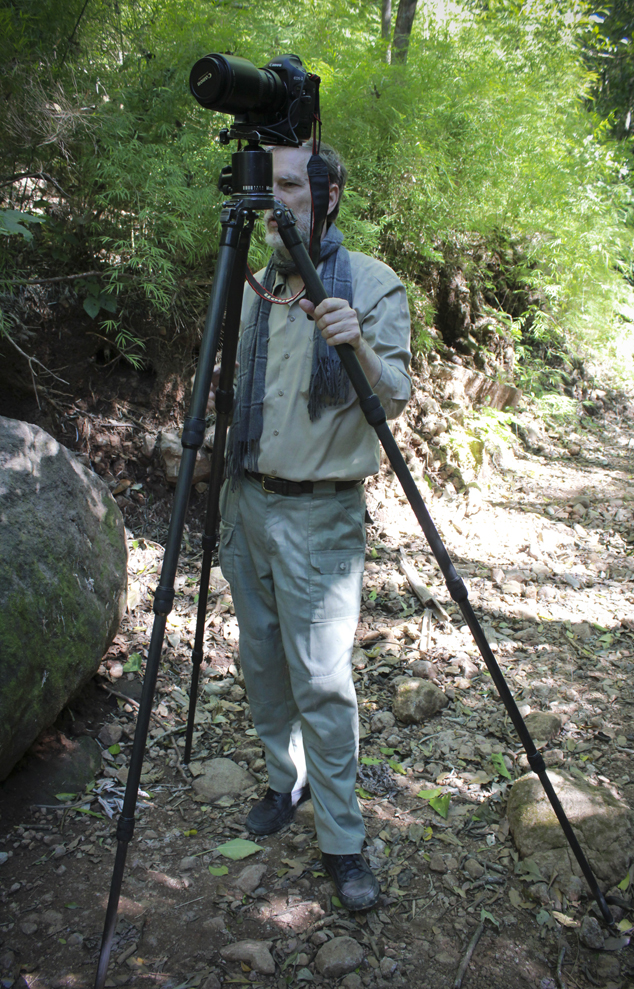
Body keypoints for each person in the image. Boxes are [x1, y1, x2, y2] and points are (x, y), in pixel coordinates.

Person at [214, 142, 411, 911]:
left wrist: (353, 336)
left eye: (290, 185)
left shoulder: (369, 282)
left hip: (321, 515)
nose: (274, 199)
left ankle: (342, 839)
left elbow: (394, 395)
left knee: (323, 682)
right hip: (247, 503)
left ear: (327, 195)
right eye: (269, 184)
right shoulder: (256, 282)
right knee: (261, 664)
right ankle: (283, 782)